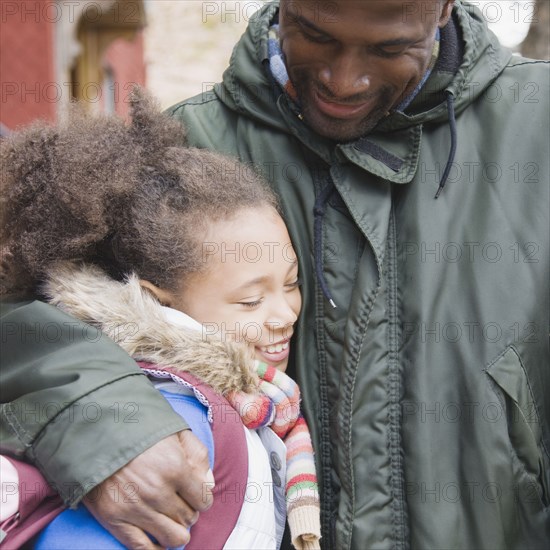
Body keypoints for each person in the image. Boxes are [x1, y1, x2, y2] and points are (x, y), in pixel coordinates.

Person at [1, 0, 549, 548]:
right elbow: (40, 308)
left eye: (388, 48)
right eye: (315, 35)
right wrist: (98, 418)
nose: (344, 80)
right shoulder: (189, 148)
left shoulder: (536, 127)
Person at [0, 90, 320, 549]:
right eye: (251, 301)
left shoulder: (248, 399)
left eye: (290, 283)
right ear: (157, 303)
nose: (285, 313)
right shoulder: (177, 422)